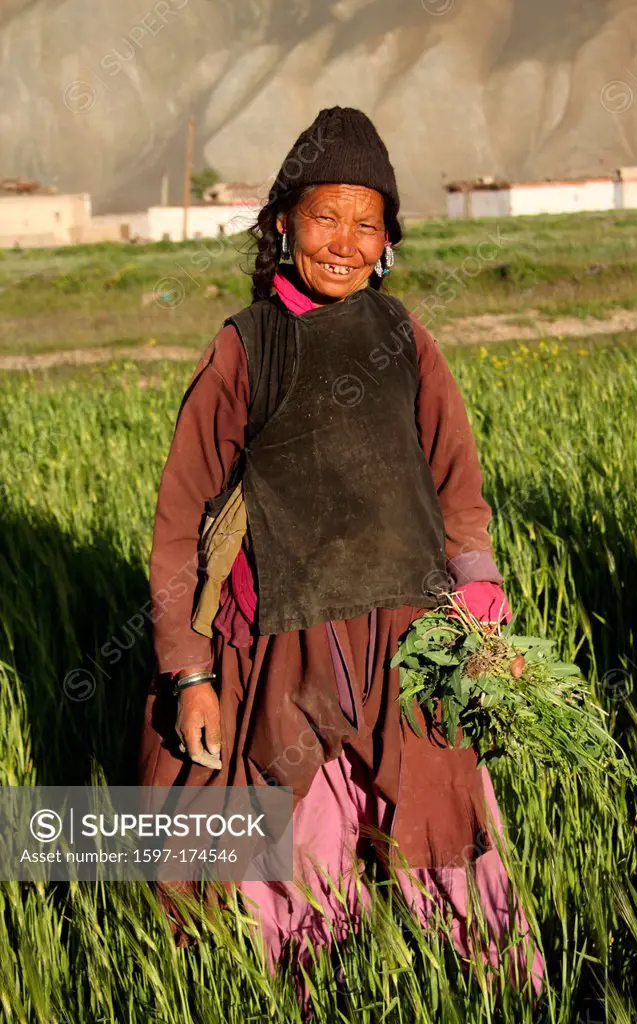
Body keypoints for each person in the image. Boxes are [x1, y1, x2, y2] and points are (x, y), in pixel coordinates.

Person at [138, 106, 543, 997]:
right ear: (284, 222)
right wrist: (190, 672)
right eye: (326, 217)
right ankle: (324, 996)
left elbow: (456, 481)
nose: (344, 242)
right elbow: (178, 519)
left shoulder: (404, 338)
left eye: (368, 224)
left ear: (388, 241)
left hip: (409, 634)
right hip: (287, 641)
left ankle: (502, 997)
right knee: (299, 850)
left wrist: (477, 602)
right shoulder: (245, 349)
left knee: (444, 825)